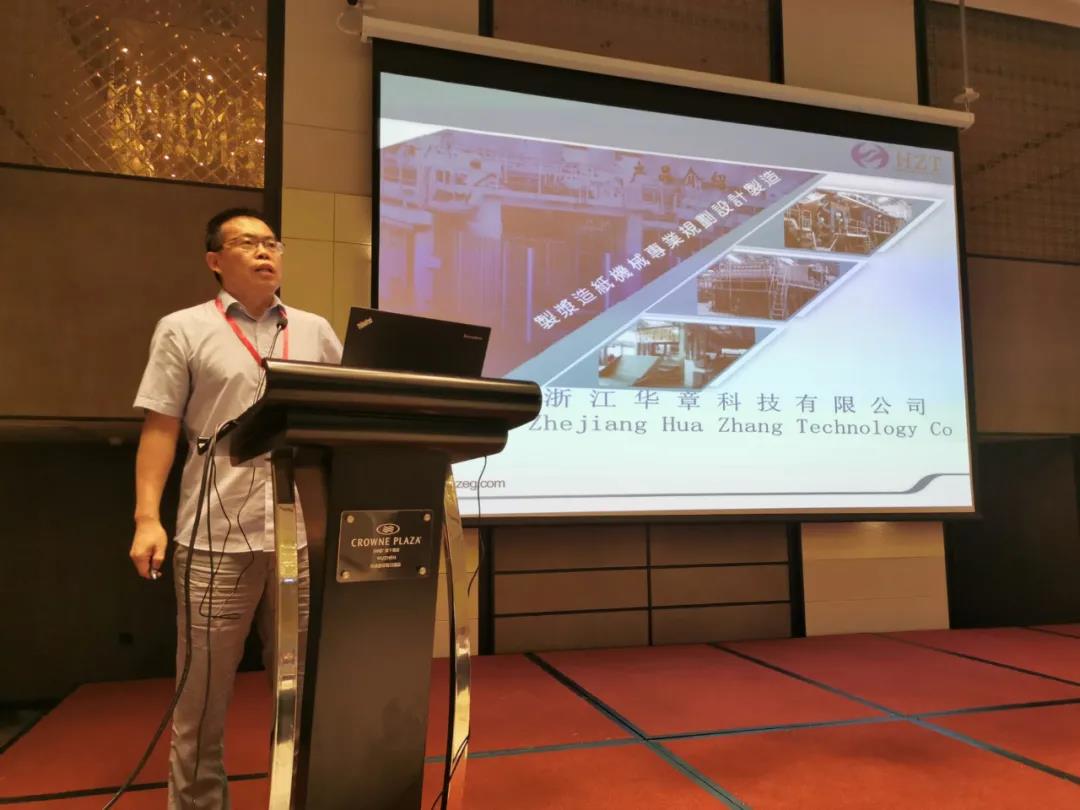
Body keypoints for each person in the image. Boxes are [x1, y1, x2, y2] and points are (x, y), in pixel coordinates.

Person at [129, 208, 342, 809]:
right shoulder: (183, 328)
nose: (264, 251)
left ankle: (301, 797)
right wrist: (147, 517)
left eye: (272, 242)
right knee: (200, 698)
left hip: (299, 538)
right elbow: (160, 428)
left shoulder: (315, 331)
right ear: (215, 261)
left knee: (302, 690)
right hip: (214, 538)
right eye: (247, 242)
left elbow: (343, 421)